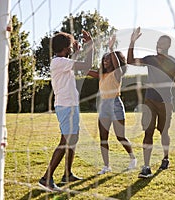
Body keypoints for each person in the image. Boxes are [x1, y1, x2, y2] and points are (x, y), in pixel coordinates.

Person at [127, 27, 175, 178]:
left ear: (168, 46)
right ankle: (146, 167)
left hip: (166, 103)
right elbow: (130, 61)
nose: (159, 44)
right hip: (149, 100)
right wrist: (132, 42)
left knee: (164, 132)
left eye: (163, 42)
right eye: (158, 42)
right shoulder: (150, 59)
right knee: (148, 132)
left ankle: (165, 158)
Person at [38, 30, 94, 192]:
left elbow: (73, 64)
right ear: (64, 47)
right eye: (70, 46)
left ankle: (67, 174)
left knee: (73, 139)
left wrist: (77, 52)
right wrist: (90, 46)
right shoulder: (59, 62)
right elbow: (86, 66)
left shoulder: (61, 61)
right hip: (65, 106)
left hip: (71, 105)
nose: (71, 48)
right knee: (65, 141)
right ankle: (46, 178)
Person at [90, 35, 137, 175]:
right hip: (104, 105)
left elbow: (117, 66)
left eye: (108, 59)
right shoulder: (101, 75)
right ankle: (106, 166)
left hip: (115, 104)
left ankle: (133, 159)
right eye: (104, 59)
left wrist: (111, 49)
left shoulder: (118, 73)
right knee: (103, 138)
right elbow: (85, 70)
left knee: (120, 136)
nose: (105, 61)